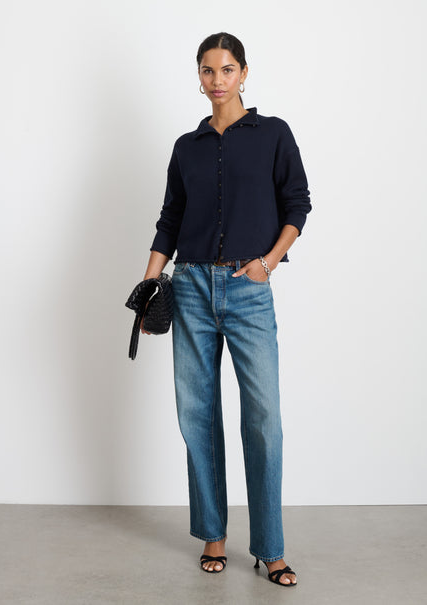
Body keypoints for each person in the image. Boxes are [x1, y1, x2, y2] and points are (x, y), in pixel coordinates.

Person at [140, 32, 311, 587]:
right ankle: (212, 534)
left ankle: (270, 548)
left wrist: (268, 262)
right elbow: (169, 219)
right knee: (197, 414)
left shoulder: (274, 134)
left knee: (264, 419)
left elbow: (298, 203)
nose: (218, 80)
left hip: (248, 288)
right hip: (190, 286)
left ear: (244, 73)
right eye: (208, 70)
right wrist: (149, 285)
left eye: (227, 69)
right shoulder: (186, 146)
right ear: (199, 76)